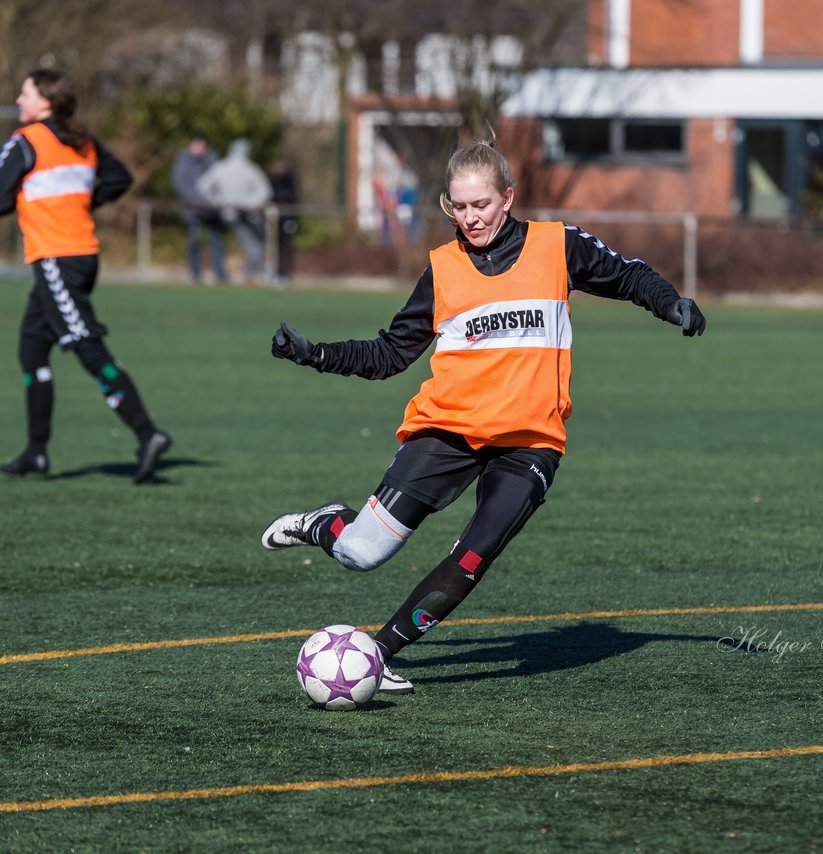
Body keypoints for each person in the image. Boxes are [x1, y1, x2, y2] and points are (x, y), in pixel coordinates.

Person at [261, 138, 706, 694]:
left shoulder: (556, 245)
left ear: (507, 199)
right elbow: (390, 354)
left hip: (529, 441)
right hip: (447, 430)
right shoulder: (443, 270)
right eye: (458, 207)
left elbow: (630, 274)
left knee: (473, 555)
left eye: (480, 205)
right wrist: (317, 354)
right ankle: (324, 523)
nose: (469, 218)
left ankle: (378, 653)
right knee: (361, 553)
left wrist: (670, 303)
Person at [0, 68, 172, 483]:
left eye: (24, 92)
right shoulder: (82, 139)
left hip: (56, 258)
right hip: (83, 256)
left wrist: (41, 203)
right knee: (32, 350)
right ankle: (35, 452)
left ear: (45, 101)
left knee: (88, 346)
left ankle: (146, 432)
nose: (18, 99)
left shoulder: (26, 141)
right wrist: (81, 204)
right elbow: (120, 177)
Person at [197, 138, 270, 285]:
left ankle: (254, 272)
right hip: (244, 214)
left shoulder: (221, 167)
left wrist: (217, 201)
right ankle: (252, 273)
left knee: (256, 243)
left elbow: (202, 187)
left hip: (235, 213)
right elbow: (264, 192)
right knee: (254, 245)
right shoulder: (250, 168)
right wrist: (249, 203)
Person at [171, 134, 227, 285]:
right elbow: (179, 183)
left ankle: (221, 274)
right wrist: (196, 201)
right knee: (194, 241)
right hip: (193, 208)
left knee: (217, 242)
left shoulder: (213, 161)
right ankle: (196, 274)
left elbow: (220, 184)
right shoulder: (183, 161)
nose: (198, 149)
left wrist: (211, 200)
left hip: (212, 209)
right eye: (196, 145)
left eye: (201, 146)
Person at [267, 159, 298, 284]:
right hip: (274, 219)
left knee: (286, 247)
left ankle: (285, 273)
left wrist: (293, 220)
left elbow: (293, 199)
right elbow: (270, 196)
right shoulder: (273, 180)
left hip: (287, 218)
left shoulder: (290, 180)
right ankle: (272, 272)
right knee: (273, 246)